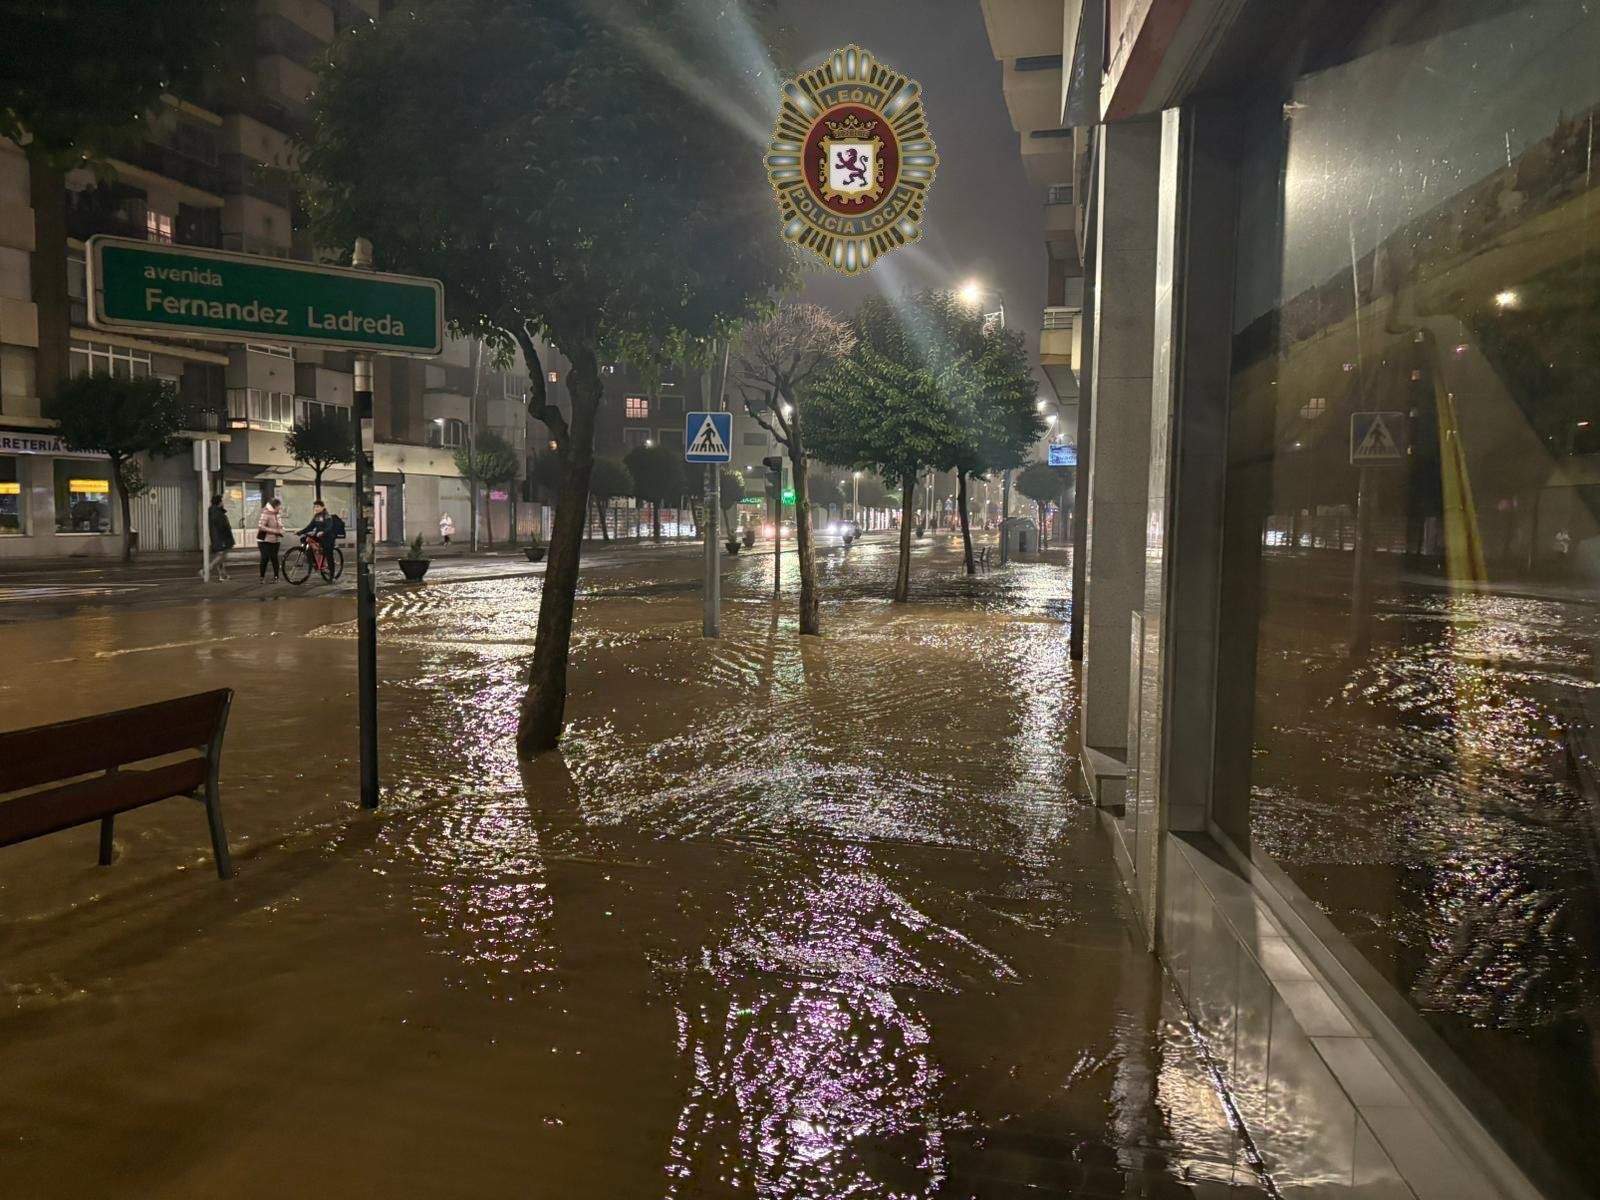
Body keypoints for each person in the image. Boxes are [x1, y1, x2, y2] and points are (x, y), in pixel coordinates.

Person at [298, 499, 335, 577]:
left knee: (329, 555)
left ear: (323, 507)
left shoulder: (327, 515)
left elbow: (329, 526)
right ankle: (313, 562)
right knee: (304, 539)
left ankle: (332, 575)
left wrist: (323, 532)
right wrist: (300, 532)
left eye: (318, 506)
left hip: (328, 537)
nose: (316, 508)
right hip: (318, 536)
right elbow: (310, 527)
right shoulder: (316, 516)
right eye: (315, 507)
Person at [200, 494, 234, 580]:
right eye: (222, 501)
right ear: (219, 502)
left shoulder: (214, 511)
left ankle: (222, 575)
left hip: (218, 537)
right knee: (221, 556)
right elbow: (222, 526)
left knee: (221, 556)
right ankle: (205, 570)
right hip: (221, 538)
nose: (223, 502)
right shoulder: (217, 513)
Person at [257, 497, 285, 581]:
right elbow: (261, 527)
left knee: (274, 558)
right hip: (264, 540)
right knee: (265, 558)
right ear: (275, 506)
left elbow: (280, 525)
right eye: (279, 506)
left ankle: (276, 577)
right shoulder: (266, 513)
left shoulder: (277, 514)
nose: (280, 507)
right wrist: (275, 531)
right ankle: (262, 577)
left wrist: (282, 529)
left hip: (275, 540)